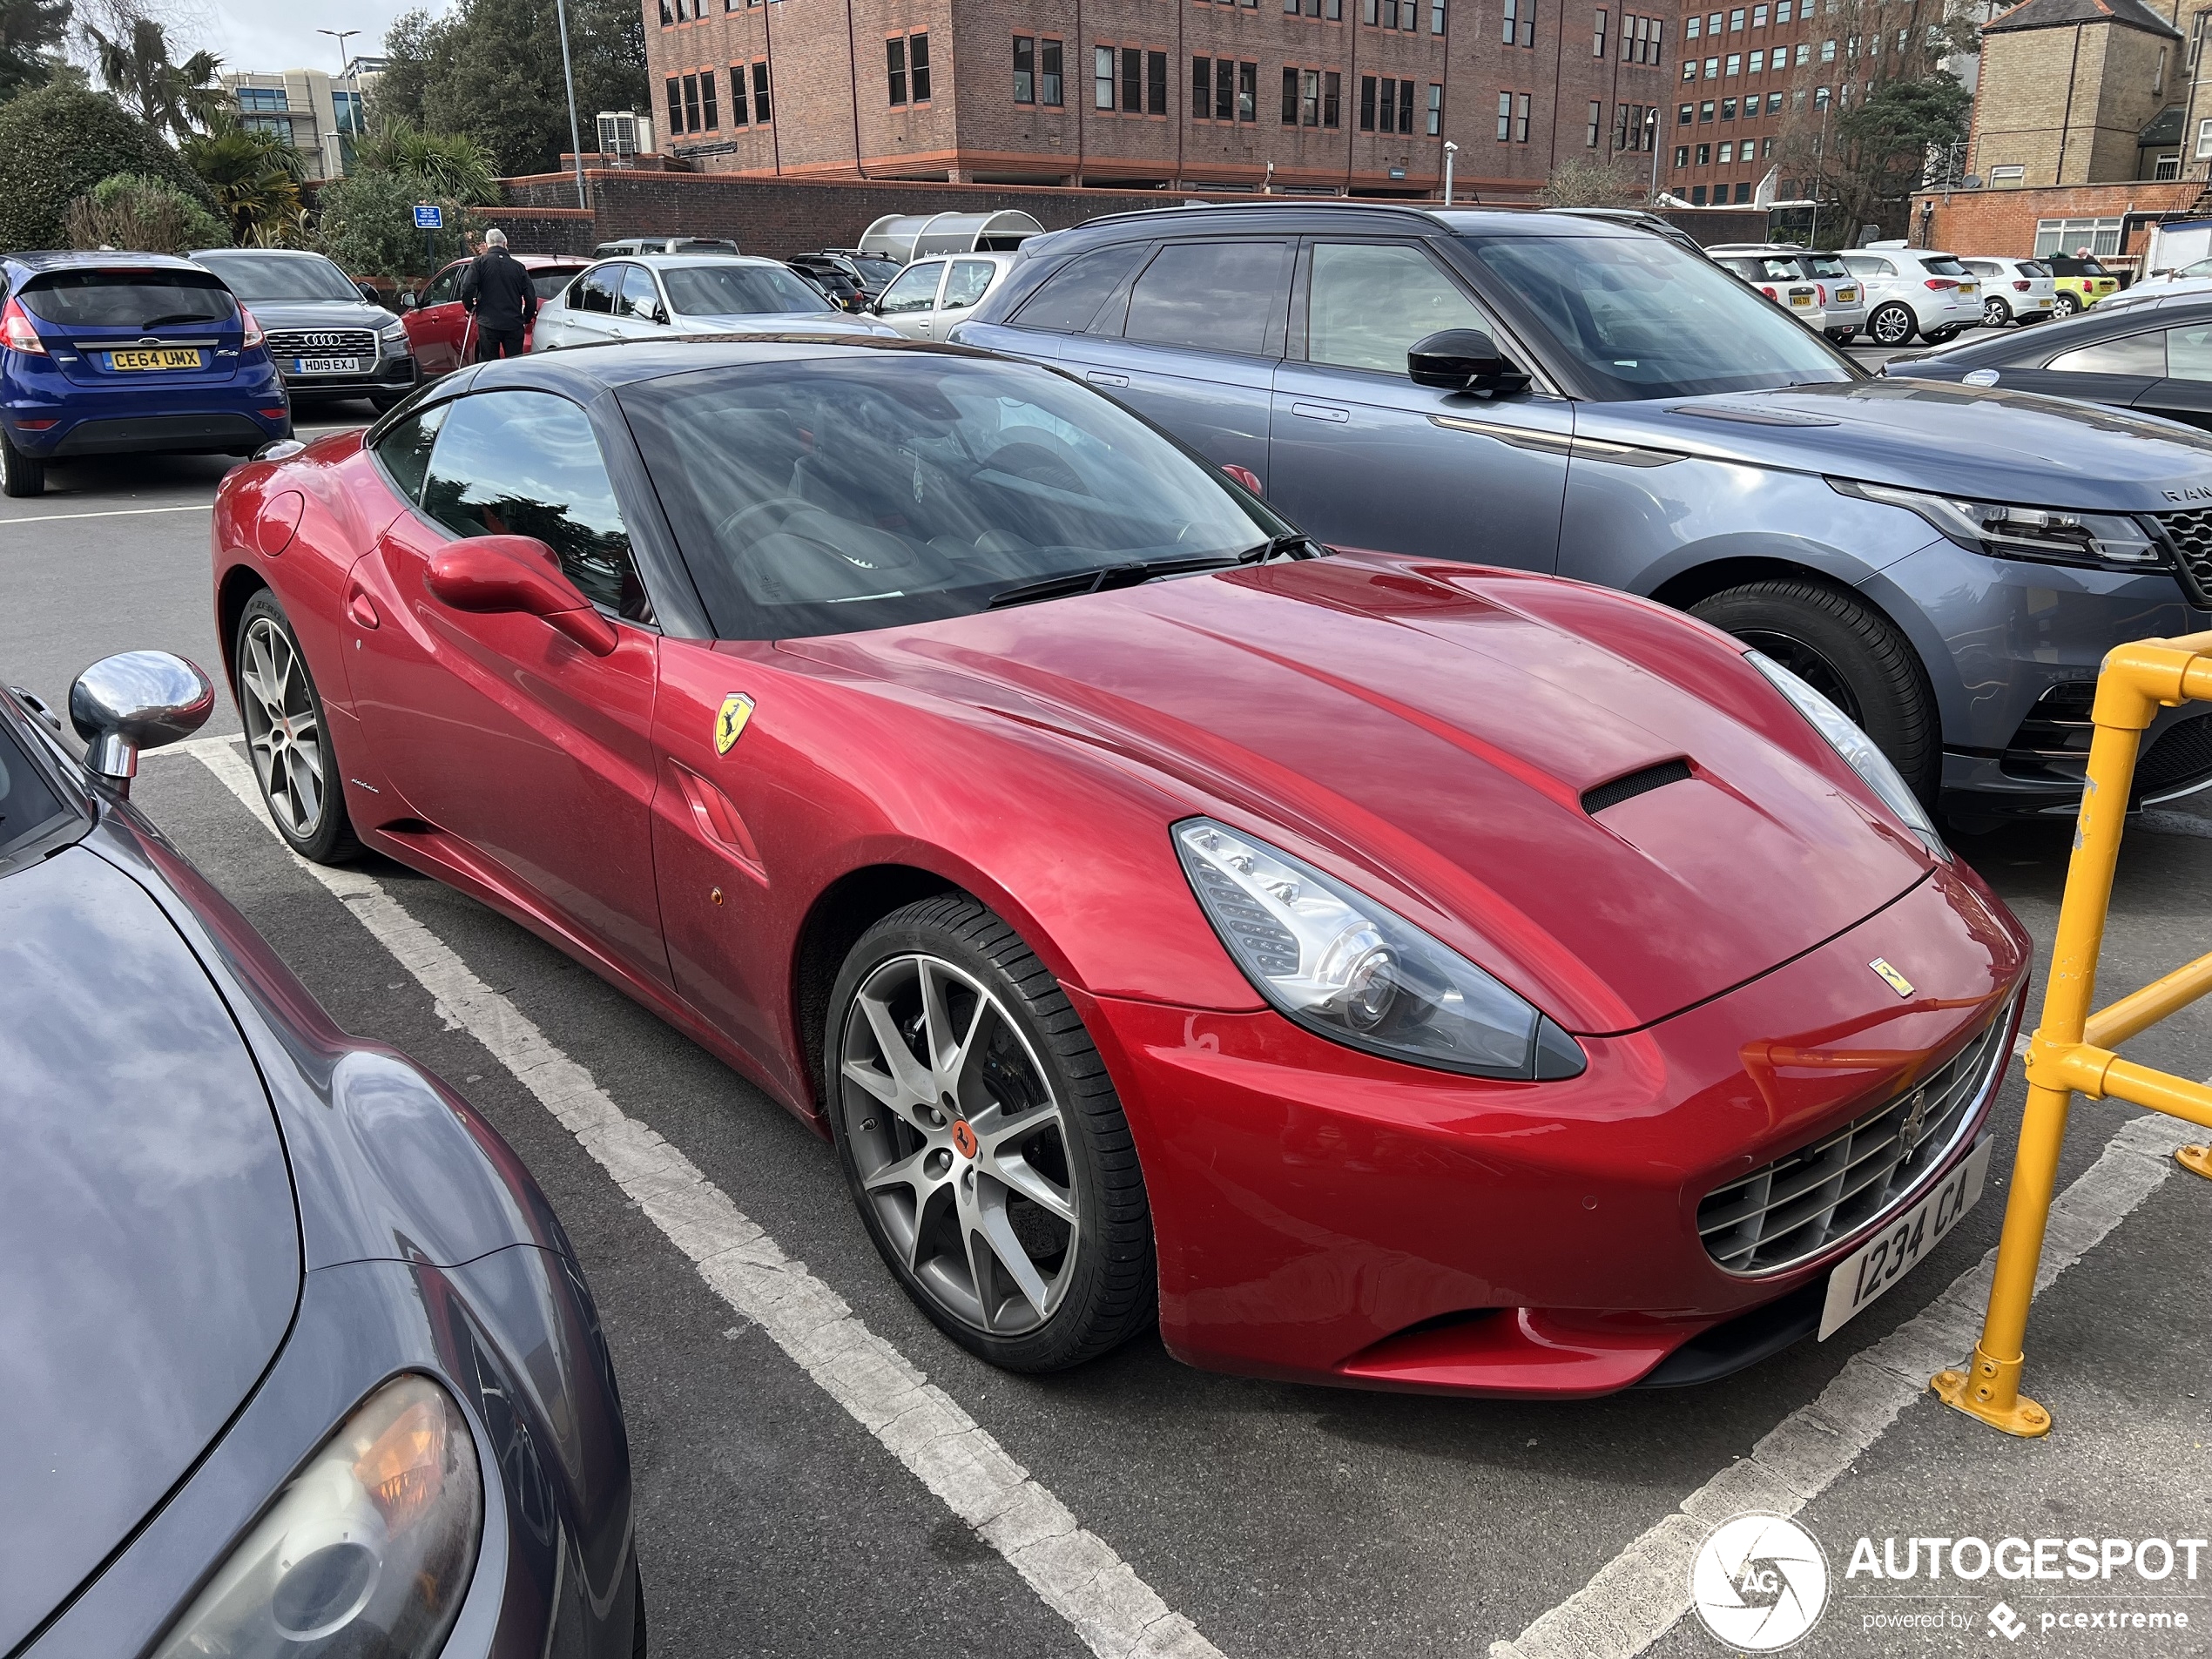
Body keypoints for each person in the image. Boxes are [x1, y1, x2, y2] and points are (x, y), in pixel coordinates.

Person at [457, 227, 537, 361]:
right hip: (513, 323)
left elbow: (466, 287)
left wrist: (470, 306)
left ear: (487, 245)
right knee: (515, 362)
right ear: (505, 244)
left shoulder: (479, 263)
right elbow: (530, 296)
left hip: (489, 323)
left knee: (489, 363)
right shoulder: (518, 267)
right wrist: (526, 318)